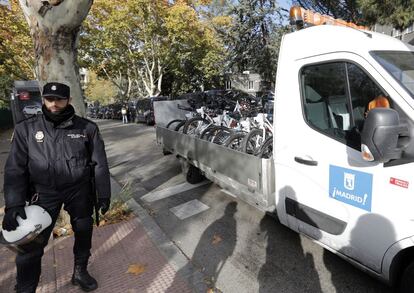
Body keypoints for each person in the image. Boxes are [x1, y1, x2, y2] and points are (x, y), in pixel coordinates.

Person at [2, 82, 111, 293]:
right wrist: (13, 203)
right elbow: (15, 169)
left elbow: (100, 164)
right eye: (50, 99)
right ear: (43, 99)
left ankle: (80, 272)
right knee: (31, 244)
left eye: (60, 99)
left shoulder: (87, 128)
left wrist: (103, 194)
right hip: (43, 194)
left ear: (68, 100)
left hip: (79, 191)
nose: (54, 104)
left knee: (83, 232)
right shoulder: (26, 129)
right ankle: (26, 287)